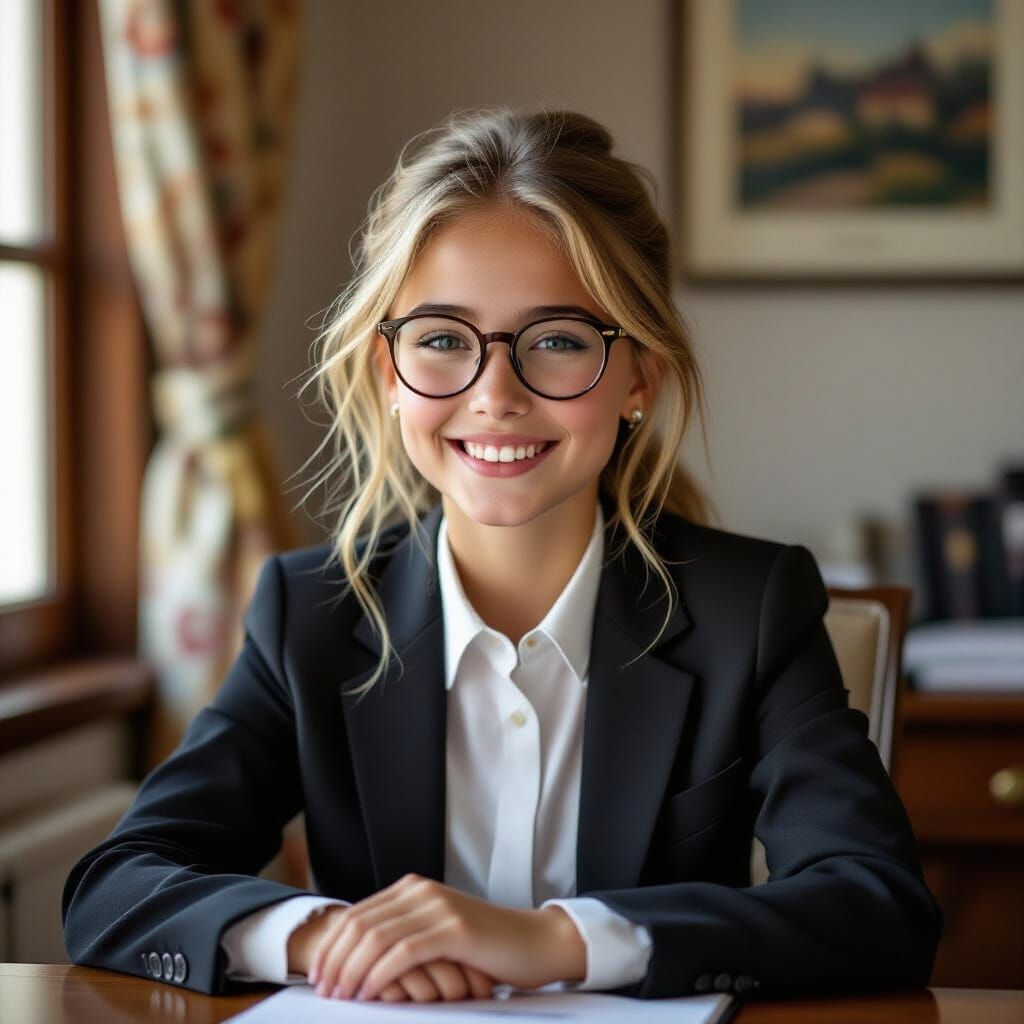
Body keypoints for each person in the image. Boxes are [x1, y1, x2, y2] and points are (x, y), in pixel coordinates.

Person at [62, 106, 942, 1005]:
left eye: (557, 341)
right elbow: (117, 887)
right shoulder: (310, 613)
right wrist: (325, 933)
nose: (494, 396)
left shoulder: (748, 609)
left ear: (640, 376)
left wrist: (555, 941)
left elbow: (876, 907)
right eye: (442, 340)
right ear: (386, 375)